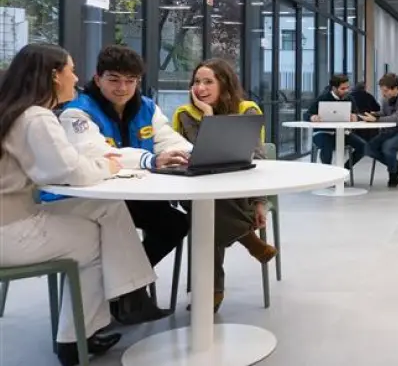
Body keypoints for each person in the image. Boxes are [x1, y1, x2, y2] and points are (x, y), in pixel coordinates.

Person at [0, 44, 159, 366]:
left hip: (14, 215)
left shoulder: (15, 112)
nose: (76, 77)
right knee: (92, 238)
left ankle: (129, 294)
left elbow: (64, 164)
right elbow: (71, 171)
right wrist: (107, 167)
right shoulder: (37, 117)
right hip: (11, 230)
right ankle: (76, 339)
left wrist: (94, 164)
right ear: (53, 76)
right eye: (71, 70)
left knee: (108, 208)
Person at [59, 46, 191, 307]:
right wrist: (149, 159)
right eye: (114, 79)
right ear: (98, 79)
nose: (123, 88)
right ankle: (125, 294)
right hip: (91, 201)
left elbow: (169, 140)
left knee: (175, 223)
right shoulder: (77, 113)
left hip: (133, 196)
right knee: (122, 226)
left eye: (131, 81)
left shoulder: (147, 108)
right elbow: (98, 153)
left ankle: (124, 291)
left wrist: (192, 154)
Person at [171, 59, 277, 312]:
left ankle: (212, 291)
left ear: (225, 84)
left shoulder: (247, 111)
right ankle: (249, 240)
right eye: (197, 82)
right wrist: (207, 116)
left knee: (207, 214)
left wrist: (260, 202)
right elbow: (191, 156)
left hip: (239, 191)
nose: (200, 88)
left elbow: (259, 160)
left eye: (208, 82)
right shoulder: (185, 115)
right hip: (195, 189)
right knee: (207, 204)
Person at [359, 73, 398, 187]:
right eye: (382, 91)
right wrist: (375, 114)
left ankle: (393, 174)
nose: (383, 94)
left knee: (387, 147)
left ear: (396, 88)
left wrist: (376, 120)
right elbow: (386, 113)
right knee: (368, 147)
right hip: (391, 132)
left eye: (386, 91)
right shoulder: (386, 99)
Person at [304, 74, 366, 167]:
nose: (346, 90)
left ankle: (345, 170)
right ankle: (329, 173)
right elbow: (306, 115)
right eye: (343, 88)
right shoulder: (323, 98)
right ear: (334, 88)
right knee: (327, 147)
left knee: (364, 147)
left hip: (343, 133)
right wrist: (312, 117)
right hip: (322, 133)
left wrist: (355, 117)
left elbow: (358, 115)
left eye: (347, 88)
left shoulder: (349, 98)